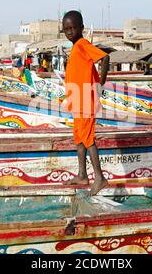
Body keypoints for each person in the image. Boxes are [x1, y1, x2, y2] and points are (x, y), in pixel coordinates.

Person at [61, 10, 110, 196]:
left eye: (73, 28)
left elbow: (105, 57)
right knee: (79, 138)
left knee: (88, 139)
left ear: (81, 28)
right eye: (66, 29)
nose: (69, 32)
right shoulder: (75, 47)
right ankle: (82, 174)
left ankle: (99, 177)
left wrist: (100, 85)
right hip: (77, 100)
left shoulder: (82, 44)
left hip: (85, 101)